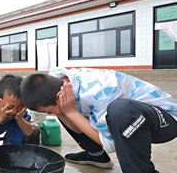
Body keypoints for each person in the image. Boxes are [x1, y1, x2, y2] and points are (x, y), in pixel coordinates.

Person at [20, 67, 177, 173]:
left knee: (119, 111)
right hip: (132, 118)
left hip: (164, 120)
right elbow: (79, 128)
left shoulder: (98, 92)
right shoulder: (58, 83)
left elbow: (110, 143)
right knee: (64, 110)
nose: (49, 114)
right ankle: (96, 156)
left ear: (58, 96)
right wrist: (65, 112)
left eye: (47, 111)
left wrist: (70, 111)